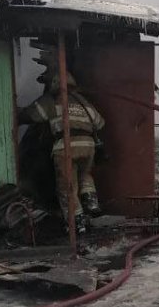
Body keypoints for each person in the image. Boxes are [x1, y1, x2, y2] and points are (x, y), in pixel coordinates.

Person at [19, 66, 105, 234]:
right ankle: (90, 199)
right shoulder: (83, 101)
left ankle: (77, 222)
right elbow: (100, 122)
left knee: (67, 187)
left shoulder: (52, 100)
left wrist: (15, 114)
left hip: (66, 148)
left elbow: (32, 115)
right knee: (84, 174)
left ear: (53, 83)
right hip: (88, 147)